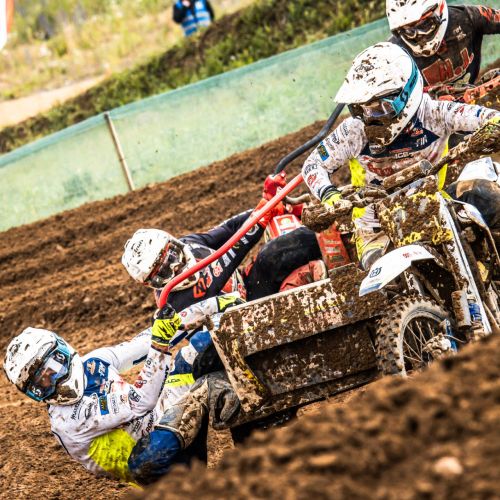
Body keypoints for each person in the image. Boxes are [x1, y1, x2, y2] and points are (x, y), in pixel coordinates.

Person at [301, 42, 500, 270]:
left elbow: (488, 117)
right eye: (362, 109)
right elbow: (313, 164)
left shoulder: (434, 113)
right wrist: (329, 195)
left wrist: (491, 130)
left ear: (407, 95)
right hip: (376, 228)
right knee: (388, 275)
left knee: (488, 197)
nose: (370, 117)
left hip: (434, 205)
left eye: (380, 108)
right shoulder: (354, 130)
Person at [2, 295, 240, 484]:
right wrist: (160, 344)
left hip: (165, 418)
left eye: (52, 369)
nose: (53, 383)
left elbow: (147, 340)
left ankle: (252, 426)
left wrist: (213, 305)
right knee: (149, 458)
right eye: (40, 385)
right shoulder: (69, 421)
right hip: (155, 458)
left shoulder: (94, 361)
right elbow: (140, 401)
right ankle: (215, 388)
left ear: (62, 352)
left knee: (202, 346)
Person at [121, 180, 323, 309]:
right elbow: (229, 259)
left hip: (249, 286)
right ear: (150, 284)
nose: (175, 267)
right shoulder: (174, 303)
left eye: (171, 256)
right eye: (163, 272)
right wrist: (263, 214)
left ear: (172, 242)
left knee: (277, 242)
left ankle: (333, 229)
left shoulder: (188, 244)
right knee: (270, 254)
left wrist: (270, 205)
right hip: (244, 323)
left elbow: (229, 229)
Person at [387, 0, 500, 86]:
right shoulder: (391, 55)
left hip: (473, 94)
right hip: (428, 108)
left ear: (438, 11)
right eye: (409, 31)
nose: (419, 36)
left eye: (424, 24)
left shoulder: (467, 16)